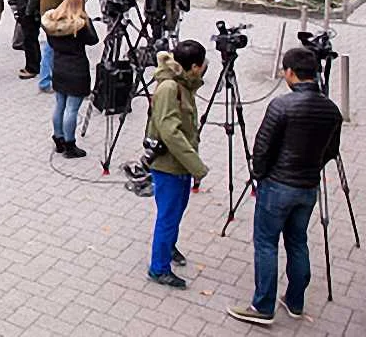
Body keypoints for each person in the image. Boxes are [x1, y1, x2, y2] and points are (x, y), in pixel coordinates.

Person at [227, 47, 343, 326]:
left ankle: (263, 306)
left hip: (278, 185)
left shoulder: (281, 105)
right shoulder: (331, 110)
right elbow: (332, 150)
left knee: (266, 243)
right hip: (308, 186)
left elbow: (262, 147)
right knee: (297, 241)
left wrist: (260, 174)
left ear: (290, 73)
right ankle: (294, 302)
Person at [145, 40, 210, 289]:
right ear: (194, 66)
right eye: (202, 65)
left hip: (180, 164)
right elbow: (170, 131)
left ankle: (168, 247)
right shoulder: (170, 88)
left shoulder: (183, 83)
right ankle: (159, 268)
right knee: (168, 217)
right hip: (169, 165)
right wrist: (197, 166)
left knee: (175, 213)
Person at [41, 0, 99, 157]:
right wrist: (87, 20)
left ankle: (58, 138)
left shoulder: (53, 24)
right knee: (72, 109)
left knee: (60, 104)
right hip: (77, 69)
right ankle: (70, 145)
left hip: (58, 67)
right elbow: (93, 40)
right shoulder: (79, 26)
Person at [37, 0, 76, 93]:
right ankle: (46, 80)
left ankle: (48, 78)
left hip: (46, 9)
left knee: (50, 45)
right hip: (58, 11)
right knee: (51, 47)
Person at [13, 0, 43, 80]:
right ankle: (34, 64)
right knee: (30, 40)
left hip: (30, 14)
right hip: (26, 11)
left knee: (30, 40)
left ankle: (32, 68)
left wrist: (28, 11)